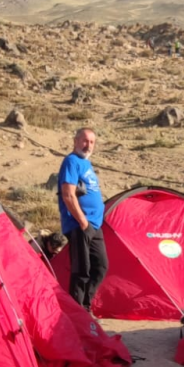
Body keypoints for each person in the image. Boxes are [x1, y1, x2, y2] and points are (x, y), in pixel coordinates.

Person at [59, 128, 107, 309]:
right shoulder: (71, 161)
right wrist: (82, 221)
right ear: (76, 141)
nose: (88, 146)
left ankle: (85, 307)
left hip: (94, 225)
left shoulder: (86, 163)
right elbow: (68, 194)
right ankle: (77, 312)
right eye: (85, 141)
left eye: (92, 142)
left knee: (100, 267)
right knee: (82, 271)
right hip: (80, 224)